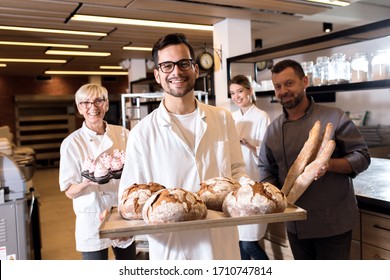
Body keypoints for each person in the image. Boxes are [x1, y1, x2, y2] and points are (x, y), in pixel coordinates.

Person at [118, 33, 253, 260]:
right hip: (173, 250)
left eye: (184, 64)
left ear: (196, 69)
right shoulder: (142, 133)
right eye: (167, 66)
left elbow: (237, 170)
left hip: (222, 244)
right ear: (158, 75)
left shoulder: (222, 119)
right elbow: (130, 194)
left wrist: (249, 189)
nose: (176, 72)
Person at [258, 59, 370, 260]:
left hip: (334, 223)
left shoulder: (334, 117)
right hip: (295, 223)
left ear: (304, 81)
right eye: (278, 86)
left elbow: (361, 156)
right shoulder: (273, 130)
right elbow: (266, 168)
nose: (283, 90)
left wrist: (328, 164)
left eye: (289, 83)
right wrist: (273, 197)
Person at [59, 83, 136, 260]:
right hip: (91, 215)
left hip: (120, 212)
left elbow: (136, 170)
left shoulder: (123, 134)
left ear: (107, 105)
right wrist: (87, 183)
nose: (93, 107)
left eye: (99, 101)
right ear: (79, 108)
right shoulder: (72, 143)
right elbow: (69, 191)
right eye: (85, 102)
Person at [229, 75, 270, 260]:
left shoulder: (262, 116)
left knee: (249, 241)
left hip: (254, 181)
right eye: (232, 93)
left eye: (240, 91)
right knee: (238, 241)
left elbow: (268, 153)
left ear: (250, 91)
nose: (236, 96)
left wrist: (250, 145)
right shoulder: (232, 118)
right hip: (237, 183)